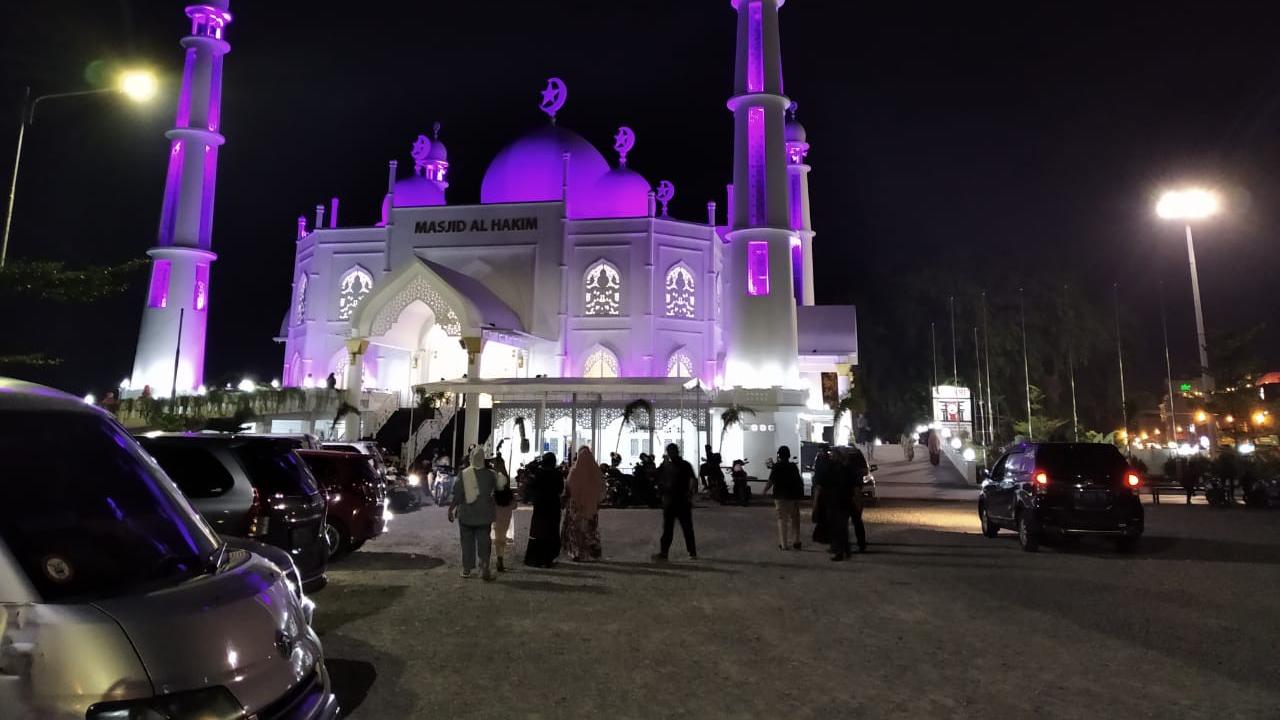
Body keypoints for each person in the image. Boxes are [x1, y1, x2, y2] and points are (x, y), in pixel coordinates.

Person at [448, 447, 500, 581]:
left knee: (466, 542)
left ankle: (466, 569)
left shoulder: (463, 473)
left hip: (466, 514)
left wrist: (451, 509)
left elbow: (458, 495)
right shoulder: (490, 474)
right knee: (484, 542)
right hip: (484, 515)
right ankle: (484, 568)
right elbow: (500, 487)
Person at [652, 443, 697, 561]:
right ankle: (665, 553)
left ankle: (691, 552)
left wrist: (690, 493)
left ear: (676, 452)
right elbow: (656, 475)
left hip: (680, 500)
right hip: (671, 501)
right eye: (669, 451)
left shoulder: (684, 465)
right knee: (669, 529)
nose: (671, 454)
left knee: (685, 528)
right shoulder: (667, 465)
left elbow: (692, 479)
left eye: (672, 451)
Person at [562, 446, 604, 561]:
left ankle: (577, 553)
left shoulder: (574, 471)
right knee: (590, 530)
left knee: (576, 530)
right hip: (591, 508)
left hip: (577, 507)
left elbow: (568, 488)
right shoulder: (596, 471)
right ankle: (591, 554)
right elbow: (602, 489)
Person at [523, 452, 564, 568]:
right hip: (553, 505)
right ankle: (548, 559)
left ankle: (535, 559)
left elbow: (530, 473)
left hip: (540, 505)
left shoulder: (538, 473)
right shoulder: (557, 474)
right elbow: (560, 489)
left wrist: (537, 462)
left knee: (538, 530)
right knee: (551, 531)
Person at [763, 446, 804, 550]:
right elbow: (799, 482)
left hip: (780, 497)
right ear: (789, 455)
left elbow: (771, 481)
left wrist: (764, 490)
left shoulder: (777, 467)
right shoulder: (793, 467)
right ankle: (796, 541)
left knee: (782, 520)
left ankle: (784, 544)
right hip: (793, 496)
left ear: (779, 455)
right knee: (795, 519)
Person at [491, 456, 515, 572]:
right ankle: (500, 558)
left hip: (496, 518)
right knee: (502, 538)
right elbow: (514, 506)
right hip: (506, 519)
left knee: (498, 538)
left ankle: (498, 558)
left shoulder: (494, 495)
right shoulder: (509, 494)